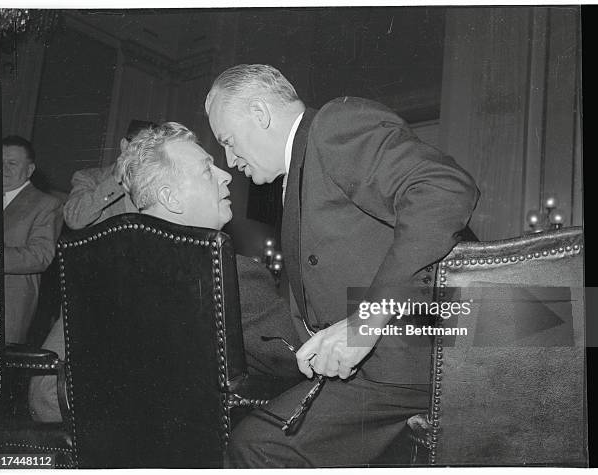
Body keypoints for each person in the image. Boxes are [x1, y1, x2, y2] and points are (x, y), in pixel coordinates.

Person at [205, 64, 480, 467]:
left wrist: (365, 322)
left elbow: (444, 187)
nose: (229, 161)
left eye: (228, 141)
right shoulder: (300, 165)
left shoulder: (333, 125)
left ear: (261, 114)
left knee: (258, 446)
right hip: (378, 366)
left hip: (414, 358)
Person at [28, 122, 300, 422]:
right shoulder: (230, 273)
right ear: (171, 198)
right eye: (208, 170)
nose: (226, 177)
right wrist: (361, 308)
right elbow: (301, 363)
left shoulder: (95, 277)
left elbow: (45, 392)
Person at [3, 135, 63, 344]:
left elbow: (41, 256)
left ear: (29, 170)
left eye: (12, 163)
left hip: (7, 306)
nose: (3, 168)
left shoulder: (46, 204)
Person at [62, 119, 157, 230]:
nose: (147, 157)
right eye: (142, 148)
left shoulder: (157, 187)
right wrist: (114, 181)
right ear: (125, 145)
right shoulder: (90, 178)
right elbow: (74, 220)